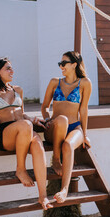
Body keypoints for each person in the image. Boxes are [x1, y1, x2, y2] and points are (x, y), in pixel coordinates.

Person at [0, 57, 53, 210]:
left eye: (11, 68)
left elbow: (22, 114)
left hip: (24, 129)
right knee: (26, 127)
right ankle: (20, 169)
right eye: (8, 68)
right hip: (6, 134)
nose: (12, 71)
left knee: (38, 146)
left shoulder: (17, 90)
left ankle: (43, 196)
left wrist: (32, 119)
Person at [41, 51, 92, 203]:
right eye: (60, 64)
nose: (61, 66)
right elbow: (44, 106)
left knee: (69, 145)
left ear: (74, 64)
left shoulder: (85, 83)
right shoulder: (54, 82)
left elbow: (83, 110)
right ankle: (56, 159)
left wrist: (85, 133)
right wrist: (47, 119)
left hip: (74, 126)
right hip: (54, 128)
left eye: (64, 63)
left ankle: (64, 190)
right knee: (62, 119)